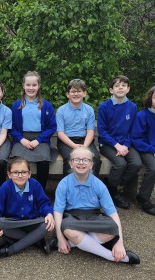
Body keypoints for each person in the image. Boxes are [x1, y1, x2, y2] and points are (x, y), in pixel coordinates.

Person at [53, 147, 140, 264]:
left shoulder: (99, 185)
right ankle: (109, 256)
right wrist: (60, 238)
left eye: (85, 160)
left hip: (94, 217)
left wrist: (119, 242)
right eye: (76, 160)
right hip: (73, 218)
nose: (81, 163)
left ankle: (76, 242)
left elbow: (113, 214)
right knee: (67, 228)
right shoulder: (63, 184)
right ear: (70, 164)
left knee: (112, 228)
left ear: (91, 164)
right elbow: (58, 213)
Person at [0, 157, 55, 261]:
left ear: (29, 174)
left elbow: (44, 203)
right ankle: (36, 240)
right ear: (9, 175)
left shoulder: (35, 184)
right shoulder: (6, 187)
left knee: (46, 224)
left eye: (24, 172)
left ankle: (9, 250)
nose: (20, 175)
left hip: (31, 223)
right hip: (13, 224)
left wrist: (49, 214)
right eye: (15, 172)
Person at [97, 75, 142, 209]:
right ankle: (113, 192)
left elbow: (132, 130)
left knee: (136, 163)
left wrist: (126, 146)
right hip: (107, 144)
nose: (120, 87)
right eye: (117, 85)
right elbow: (102, 131)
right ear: (111, 90)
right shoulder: (104, 106)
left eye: (124, 85)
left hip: (126, 144)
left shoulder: (132, 107)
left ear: (128, 89)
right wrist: (117, 146)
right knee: (120, 164)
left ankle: (111, 185)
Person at [10, 71, 57, 189]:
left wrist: (39, 140)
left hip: (40, 140)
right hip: (21, 139)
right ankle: (18, 191)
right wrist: (21, 139)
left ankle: (39, 191)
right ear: (23, 86)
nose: (31, 88)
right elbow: (12, 127)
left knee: (43, 162)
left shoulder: (46, 105)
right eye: (28, 85)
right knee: (17, 163)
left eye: (34, 85)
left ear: (39, 86)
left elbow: (52, 127)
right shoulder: (17, 105)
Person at [56, 78, 101, 177]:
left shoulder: (89, 110)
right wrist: (74, 146)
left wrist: (85, 146)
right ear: (68, 94)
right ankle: (69, 189)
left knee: (95, 158)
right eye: (73, 91)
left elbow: (90, 131)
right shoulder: (61, 110)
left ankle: (91, 187)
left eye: (79, 91)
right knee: (70, 159)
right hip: (66, 141)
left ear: (84, 93)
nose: (76, 94)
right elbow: (60, 133)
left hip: (84, 141)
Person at [131, 86, 155, 215]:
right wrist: (152, 150)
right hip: (144, 148)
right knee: (154, 167)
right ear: (150, 98)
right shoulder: (142, 115)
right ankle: (144, 199)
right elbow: (136, 139)